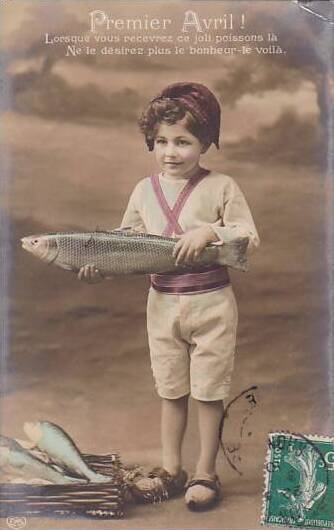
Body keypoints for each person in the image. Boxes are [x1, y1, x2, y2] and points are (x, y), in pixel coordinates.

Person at [78, 82, 260, 511]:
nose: (170, 152)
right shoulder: (144, 191)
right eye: (161, 141)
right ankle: (171, 469)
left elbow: (248, 236)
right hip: (161, 305)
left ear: (206, 142)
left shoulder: (221, 187)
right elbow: (125, 244)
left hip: (211, 303)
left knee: (209, 391)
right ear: (150, 141)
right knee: (171, 389)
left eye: (183, 141)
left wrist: (210, 230)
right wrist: (98, 268)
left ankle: (204, 472)